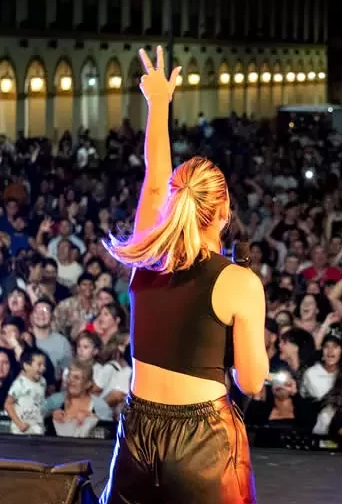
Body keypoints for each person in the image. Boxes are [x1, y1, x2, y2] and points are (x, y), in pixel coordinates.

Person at [100, 46, 268, 504]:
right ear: (225, 211)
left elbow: (156, 176)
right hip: (204, 441)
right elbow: (252, 382)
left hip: (138, 432)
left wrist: (158, 103)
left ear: (174, 205)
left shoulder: (145, 257)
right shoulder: (239, 282)